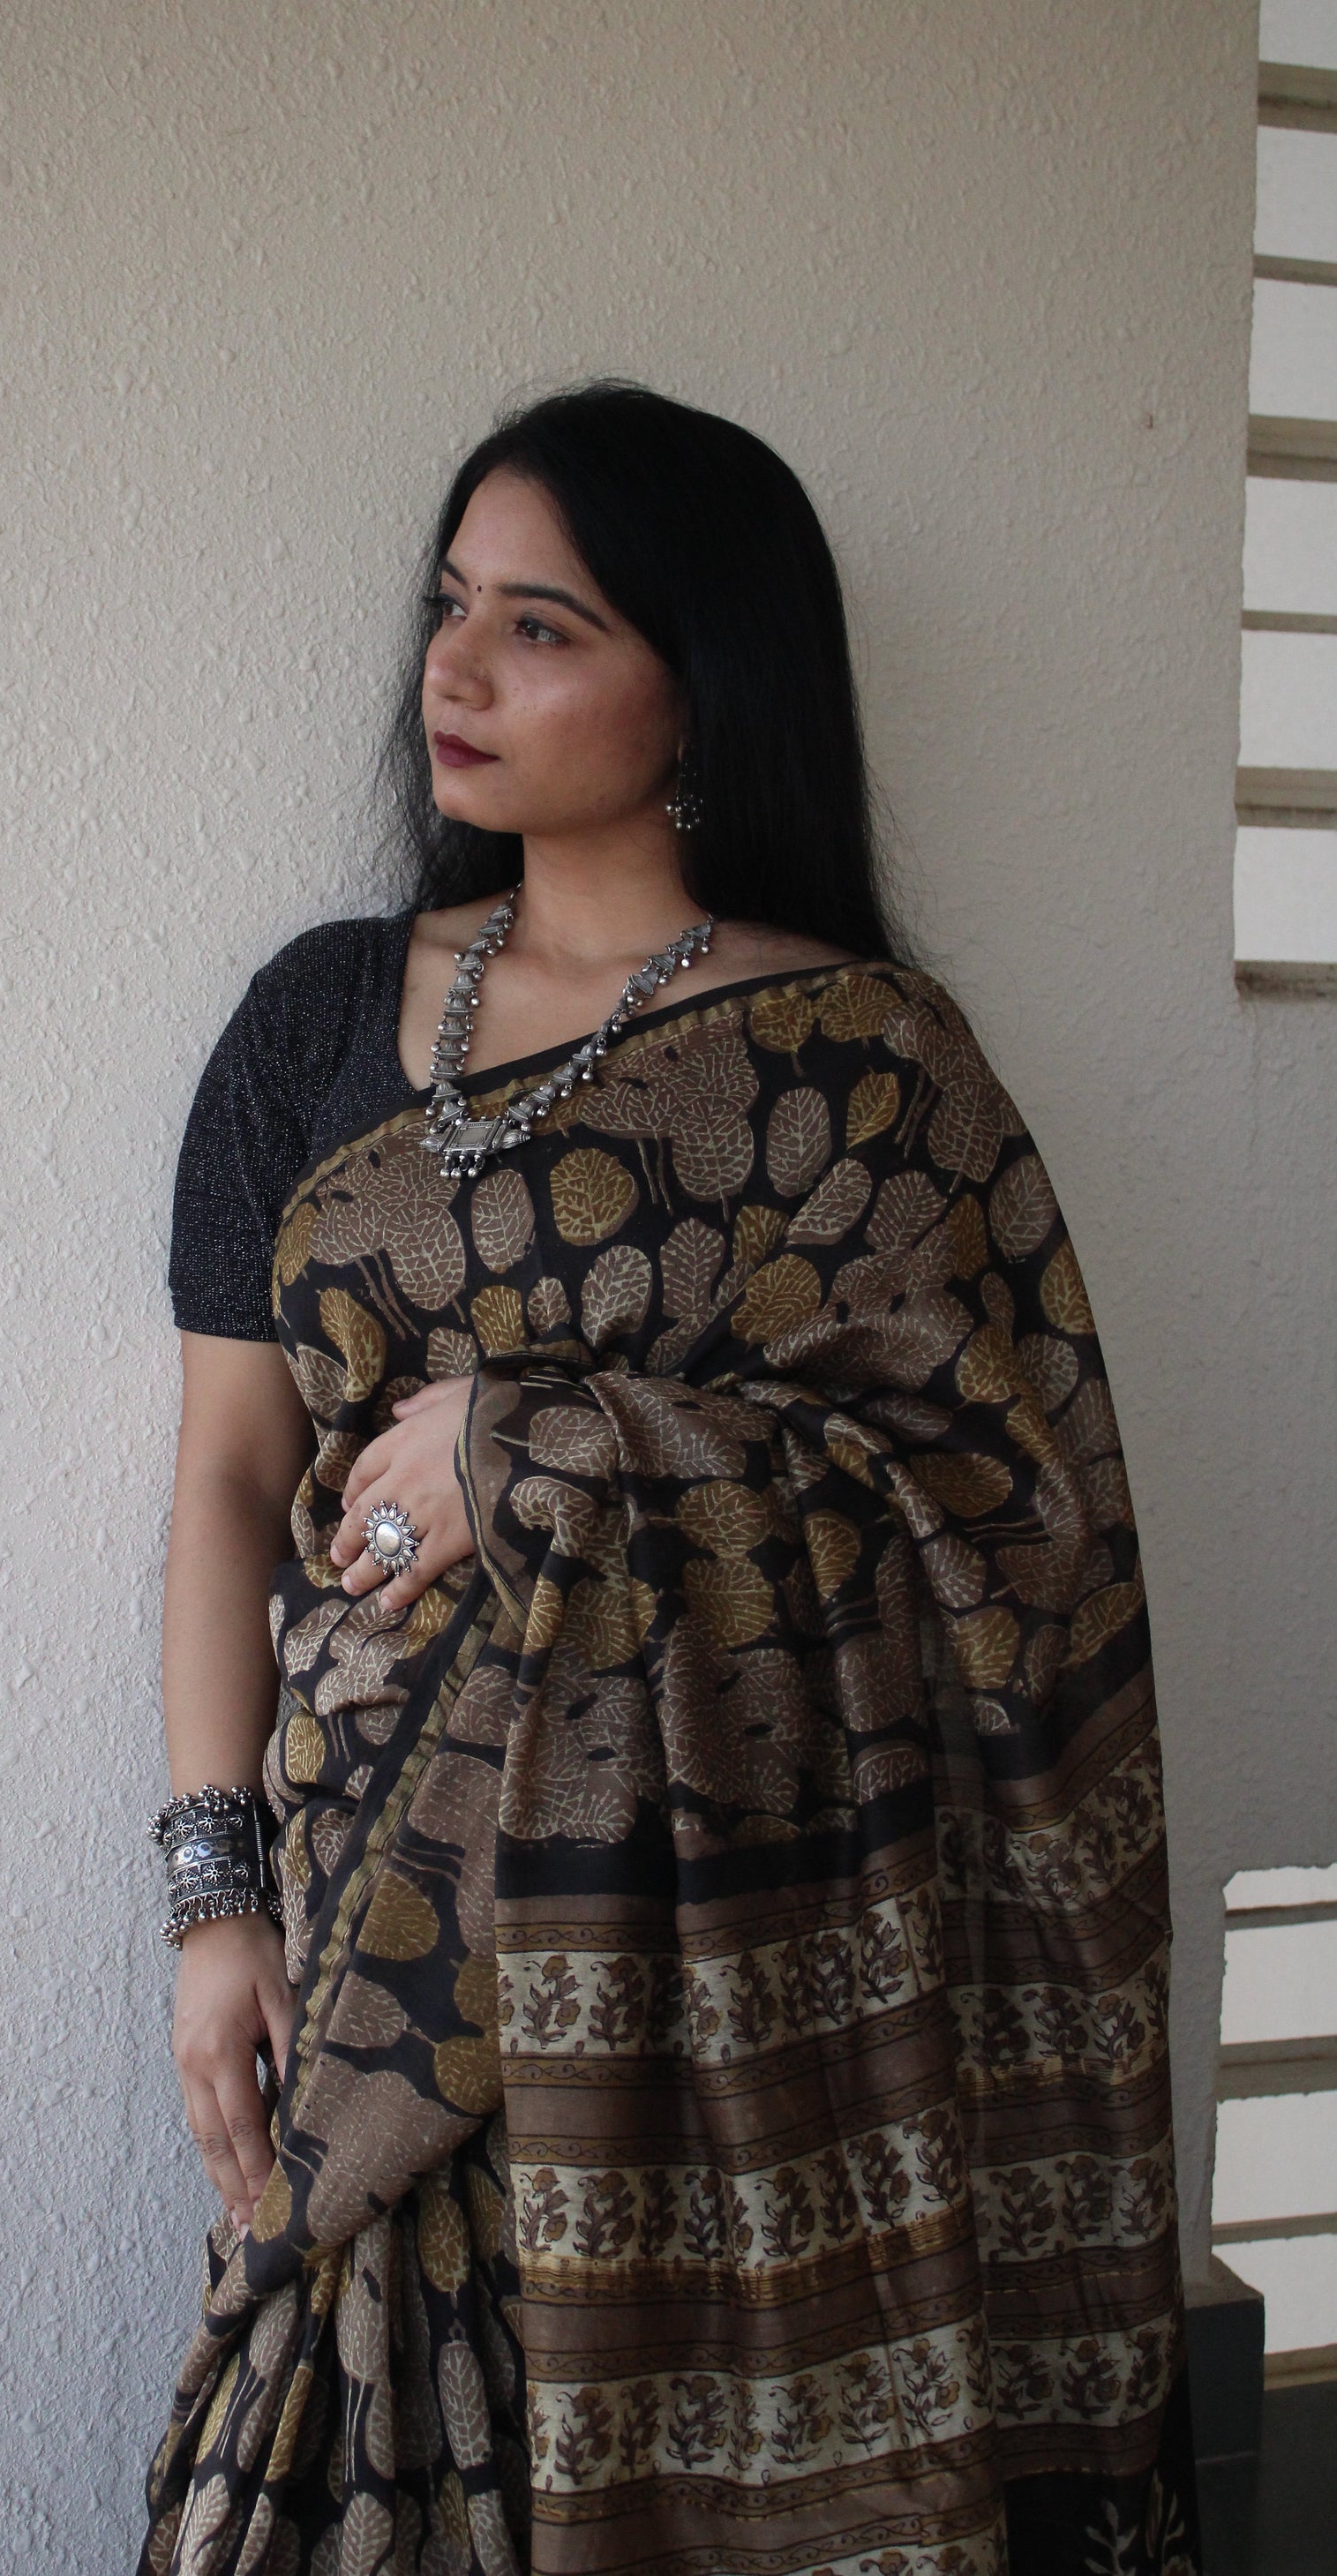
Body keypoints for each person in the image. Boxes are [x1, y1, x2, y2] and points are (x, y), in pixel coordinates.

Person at [139, 383, 1198, 2576]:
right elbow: (230, 1479)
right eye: (449, 606)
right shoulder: (315, 1020)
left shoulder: (878, 1069)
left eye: (541, 625)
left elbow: (1012, 1536)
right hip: (380, 1922)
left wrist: (548, 1445)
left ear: (702, 685)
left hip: (750, 1955)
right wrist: (212, 1899)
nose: (452, 668)